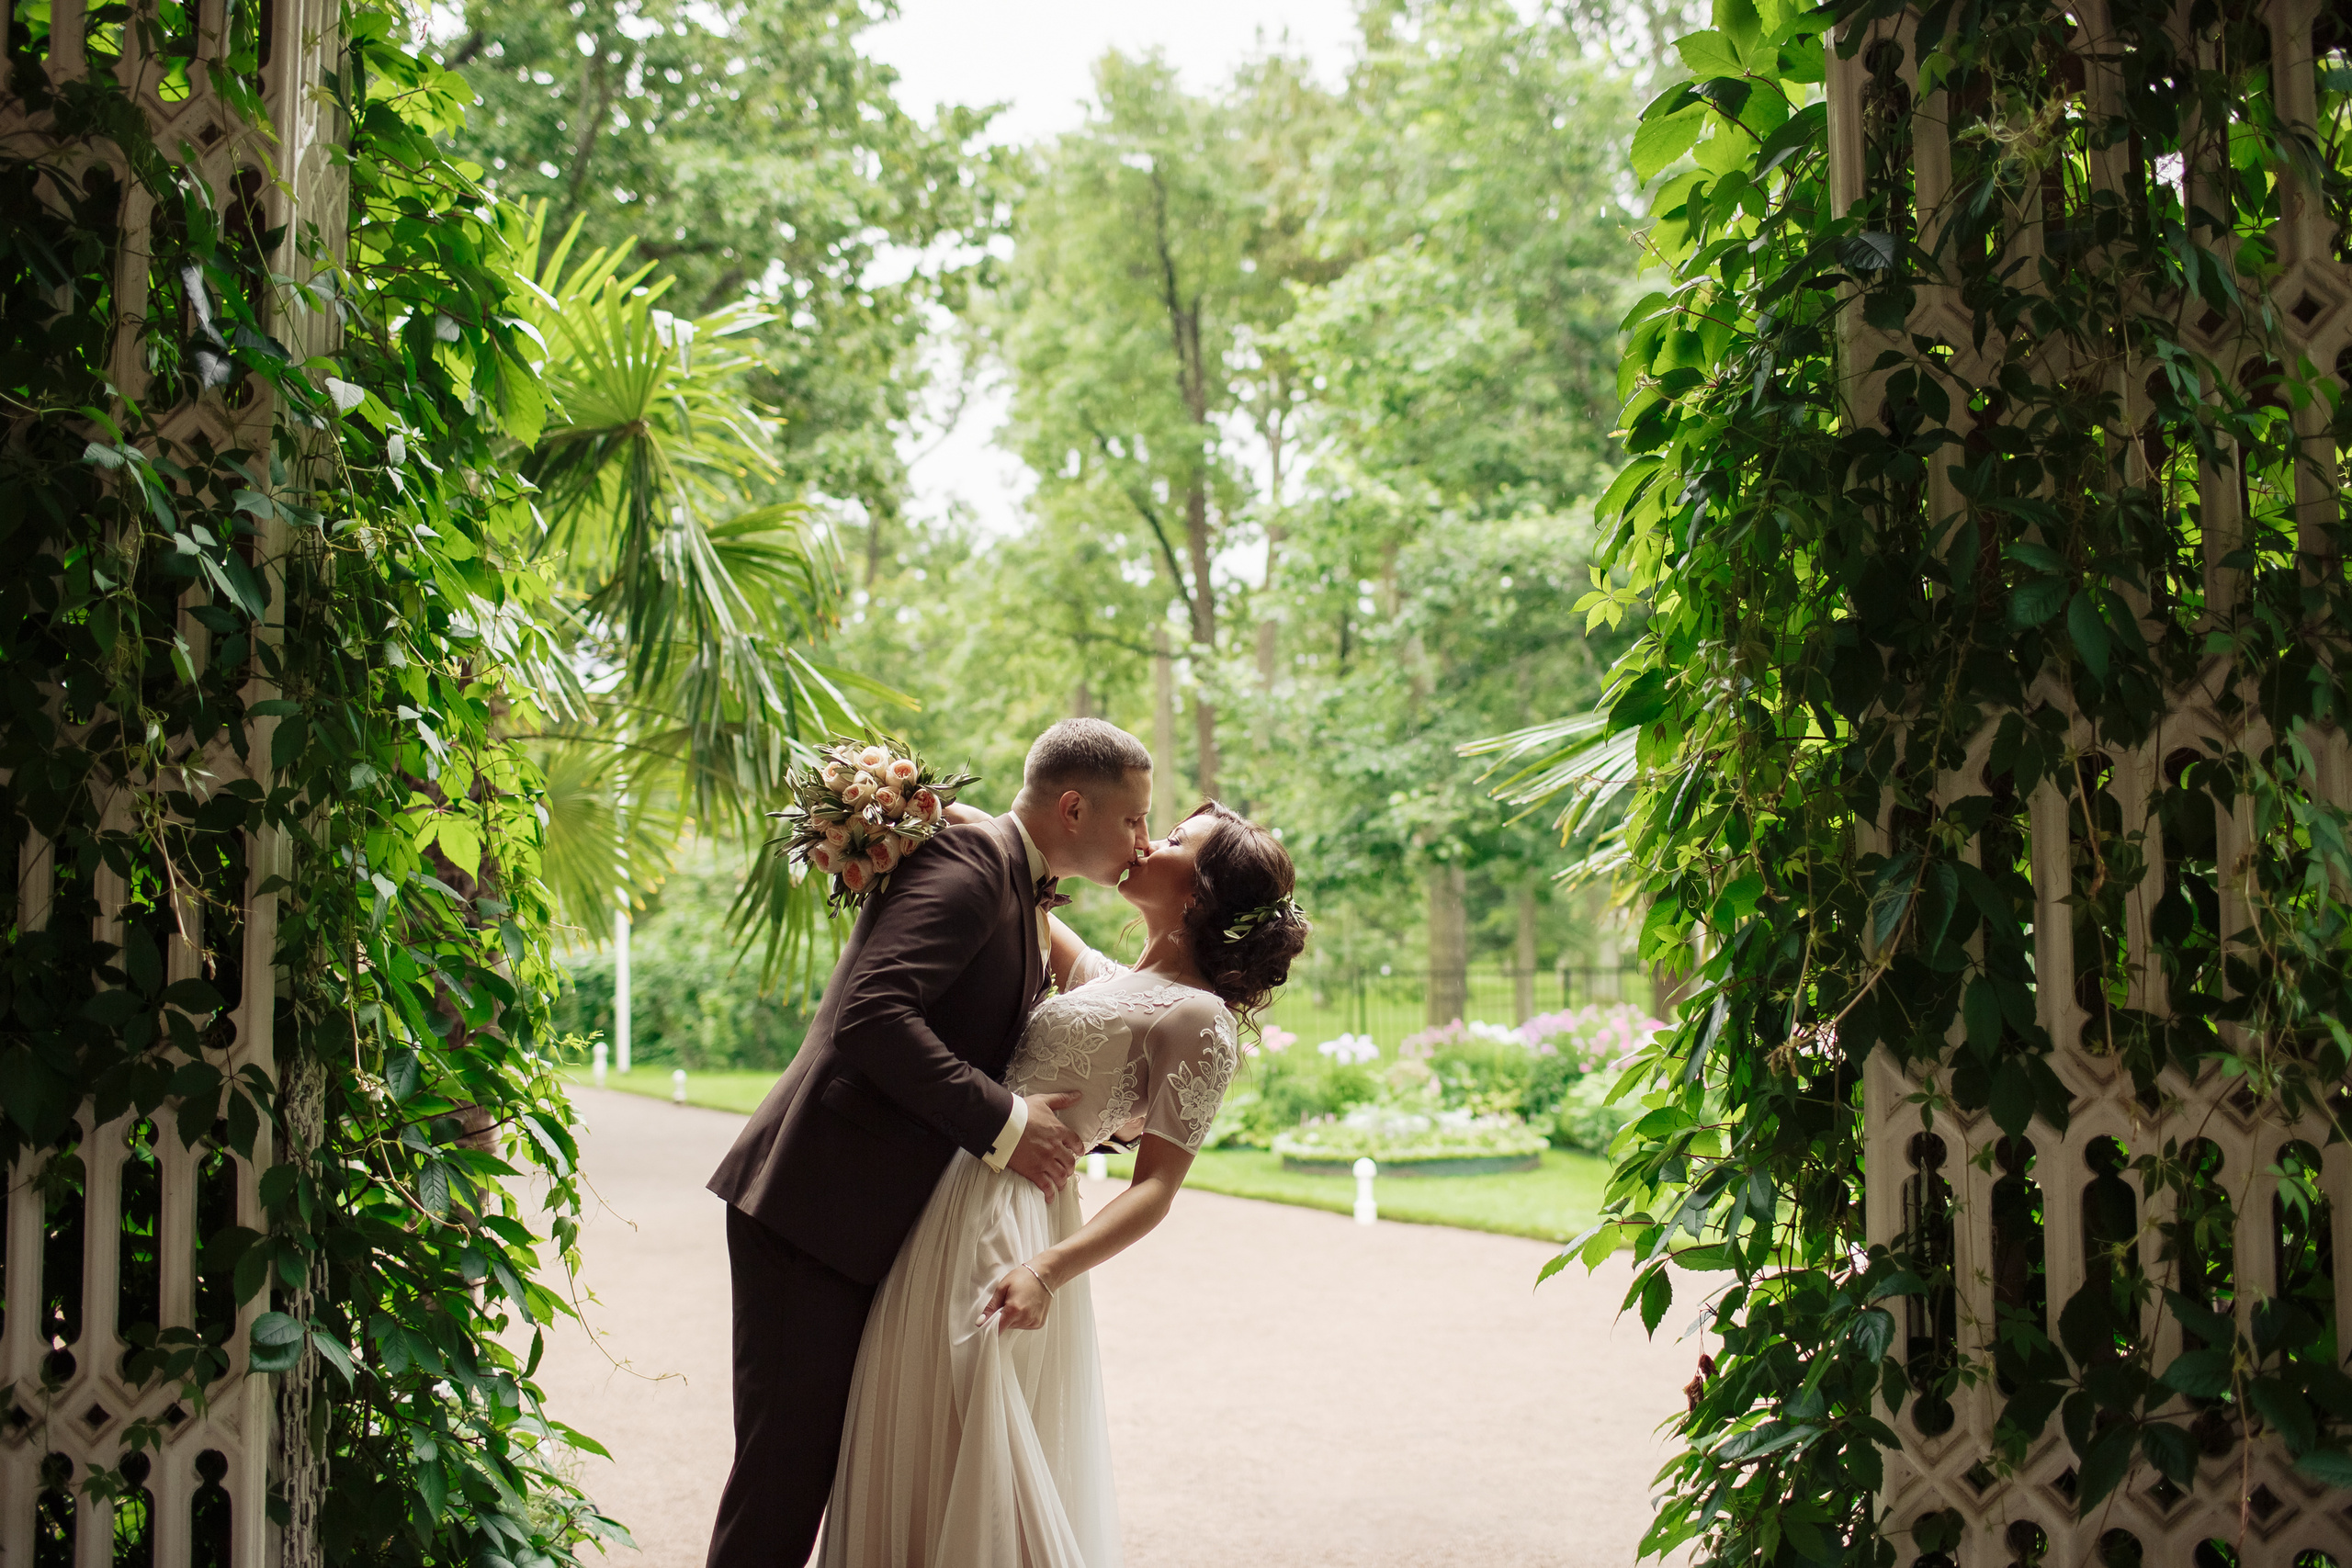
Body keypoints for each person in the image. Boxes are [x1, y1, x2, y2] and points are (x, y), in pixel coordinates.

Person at [703, 718, 1156, 1568]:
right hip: (813, 1210)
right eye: (1133, 820)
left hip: (856, 1216)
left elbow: (979, 1038)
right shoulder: (975, 865)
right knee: (780, 1485)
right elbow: (874, 1015)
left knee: (814, 1474)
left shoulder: (1014, 882)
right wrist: (1008, 1128)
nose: (1140, 840)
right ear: (1072, 807)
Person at [816, 800, 1310, 1568]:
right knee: (916, 1418)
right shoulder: (1102, 979)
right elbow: (1026, 875)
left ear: (1200, 892)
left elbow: (1156, 1190)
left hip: (1020, 1225)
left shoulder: (1198, 1019)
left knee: (985, 1428)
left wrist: (1046, 1271)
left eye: (1175, 839)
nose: (1149, 839)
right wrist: (911, 805)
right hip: (943, 1200)